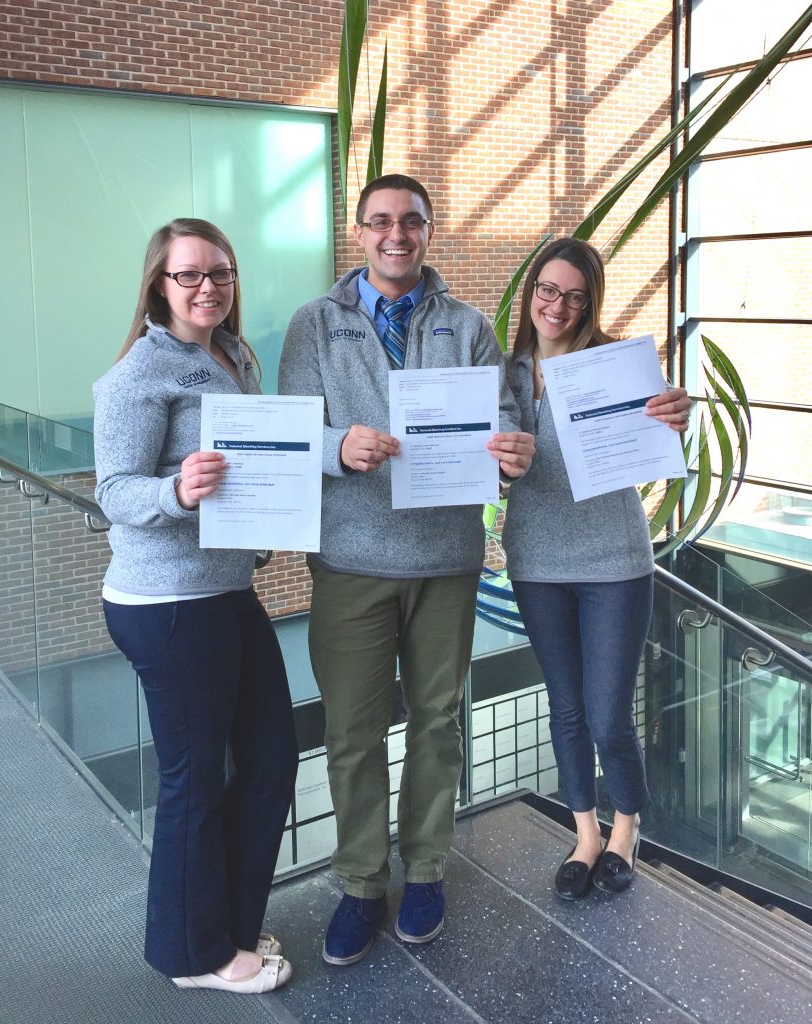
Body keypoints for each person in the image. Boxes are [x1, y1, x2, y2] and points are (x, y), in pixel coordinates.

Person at [279, 174, 534, 965]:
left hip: (447, 563)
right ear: (359, 233)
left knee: (437, 722)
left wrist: (513, 446)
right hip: (351, 560)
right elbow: (292, 431)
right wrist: (336, 449)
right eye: (381, 221)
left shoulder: (465, 327)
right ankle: (360, 882)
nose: (397, 234)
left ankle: (424, 869)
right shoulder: (315, 325)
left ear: (429, 231)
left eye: (412, 222)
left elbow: (507, 416)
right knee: (352, 732)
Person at [93, 218, 298, 993]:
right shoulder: (141, 373)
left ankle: (231, 927)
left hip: (225, 593)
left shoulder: (233, 356)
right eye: (189, 276)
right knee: (194, 780)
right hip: (166, 602)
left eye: (220, 273)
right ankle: (196, 957)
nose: (207, 287)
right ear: (159, 284)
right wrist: (177, 491)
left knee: (274, 757)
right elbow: (114, 491)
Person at [502, 237, 691, 900]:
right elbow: (489, 471)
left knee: (608, 712)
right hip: (537, 560)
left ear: (590, 305)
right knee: (567, 706)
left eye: (575, 296)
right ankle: (585, 832)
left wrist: (674, 420)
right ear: (531, 293)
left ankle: (626, 829)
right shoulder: (505, 375)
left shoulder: (616, 366)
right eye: (548, 290)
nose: (559, 305)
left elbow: (655, 439)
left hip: (615, 559)